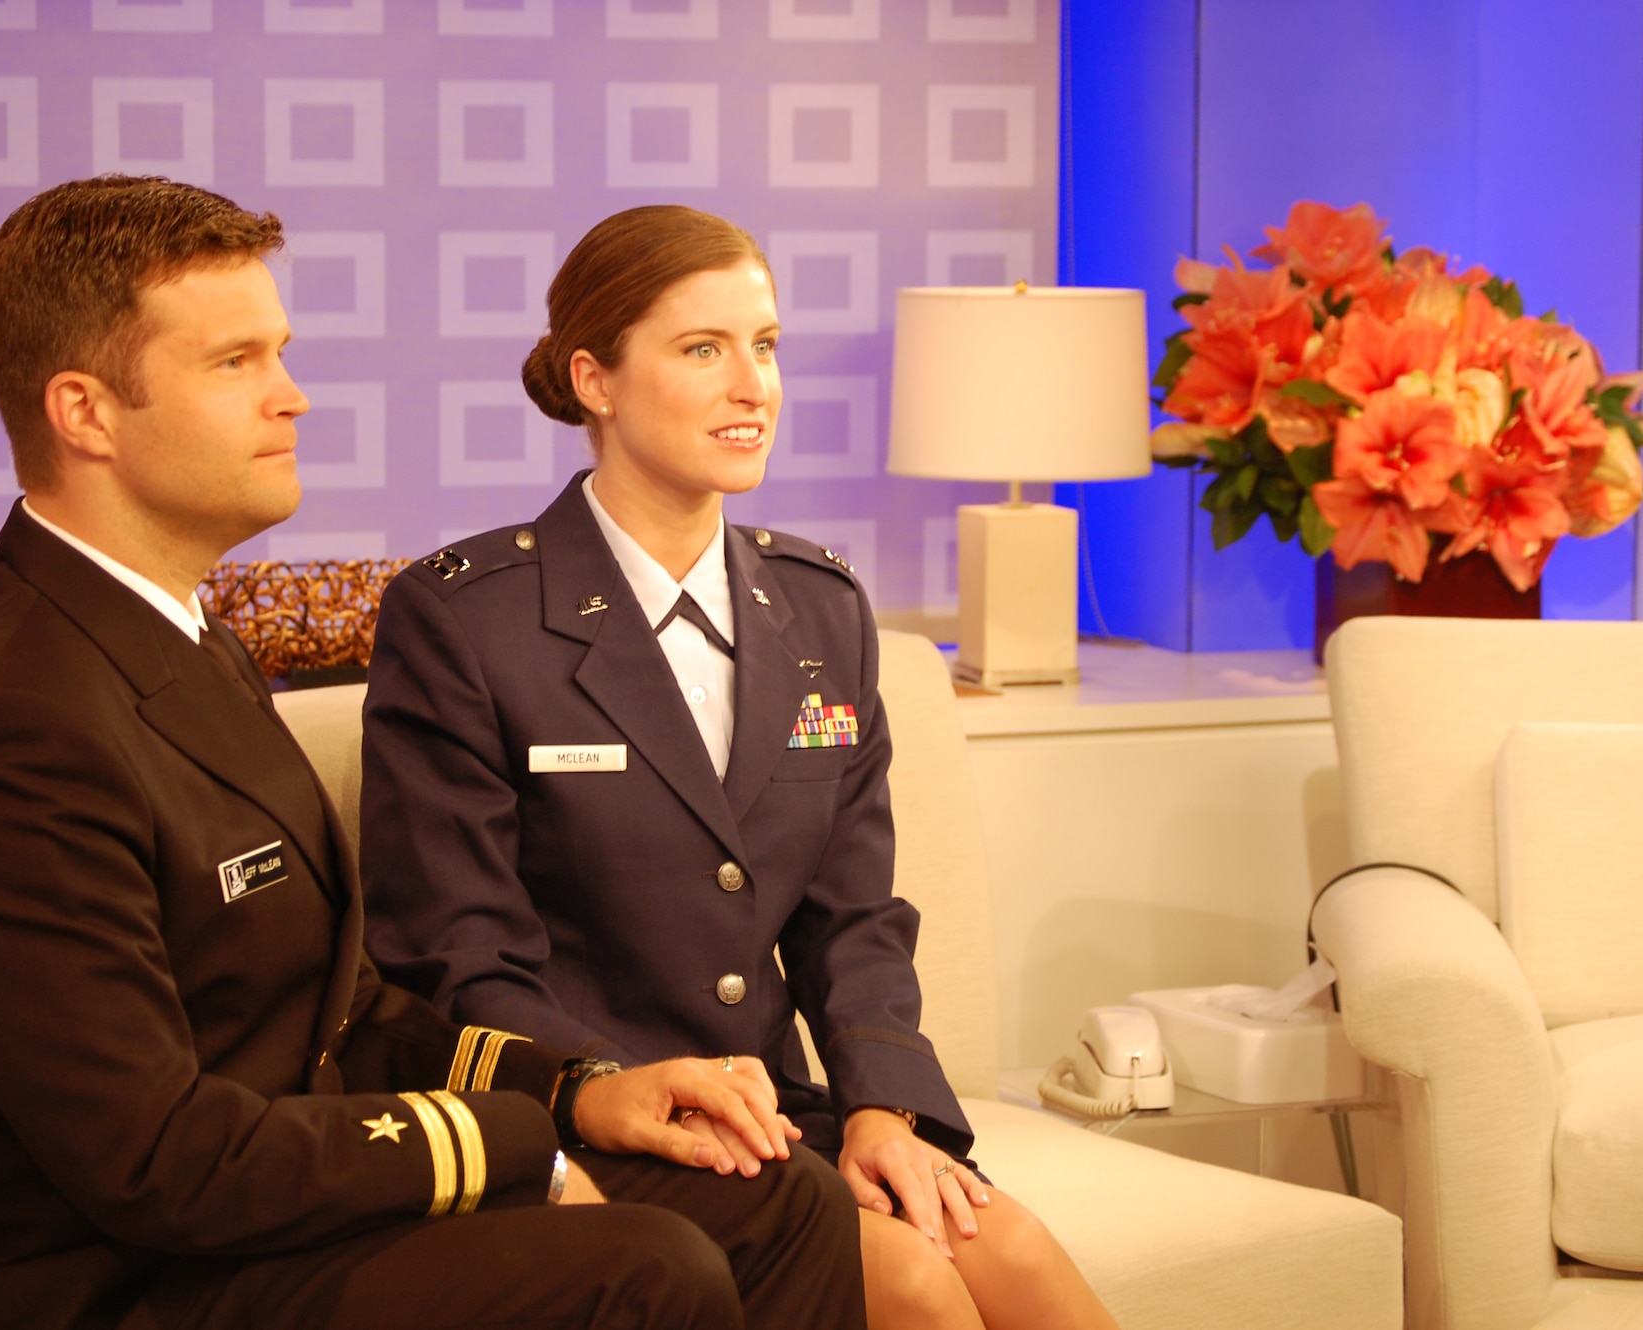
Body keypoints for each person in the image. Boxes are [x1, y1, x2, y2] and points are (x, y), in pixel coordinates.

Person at [0, 177, 869, 1330]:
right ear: (86, 412)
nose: (292, 396)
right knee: (646, 1269)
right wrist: (518, 1145)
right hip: (90, 1281)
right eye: (236, 363)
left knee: (782, 1203)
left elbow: (350, 1011)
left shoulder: (176, 636)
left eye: (279, 354)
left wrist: (582, 1090)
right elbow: (158, 1158)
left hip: (248, 1214)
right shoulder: (9, 724)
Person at [358, 205, 1119, 1330]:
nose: (752, 385)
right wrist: (604, 1086)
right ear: (594, 380)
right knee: (910, 1281)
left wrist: (882, 1112)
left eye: (763, 346)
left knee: (996, 1240)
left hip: (778, 1111)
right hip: (597, 1112)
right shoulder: (465, 620)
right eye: (701, 348)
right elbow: (457, 956)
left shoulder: (821, 609)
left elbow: (851, 918)